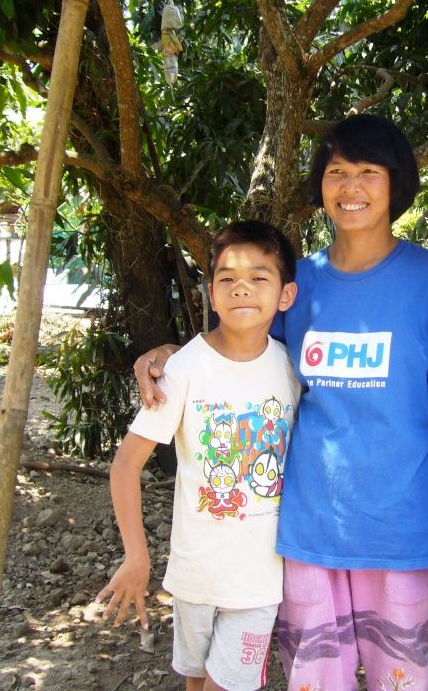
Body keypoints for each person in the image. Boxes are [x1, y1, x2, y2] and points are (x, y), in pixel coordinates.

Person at [134, 114, 428, 691]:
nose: (350, 187)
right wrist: (168, 350)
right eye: (337, 172)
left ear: (397, 184)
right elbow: (237, 349)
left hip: (404, 526)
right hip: (309, 525)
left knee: (403, 682)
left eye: (368, 172)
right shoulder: (297, 283)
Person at [97, 220, 301, 691]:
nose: (242, 288)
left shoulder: (291, 369)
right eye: (227, 278)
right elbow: (127, 463)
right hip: (193, 577)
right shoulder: (184, 367)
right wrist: (137, 557)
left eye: (259, 277)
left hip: (259, 580)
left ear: (285, 295)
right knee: (195, 680)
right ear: (211, 294)